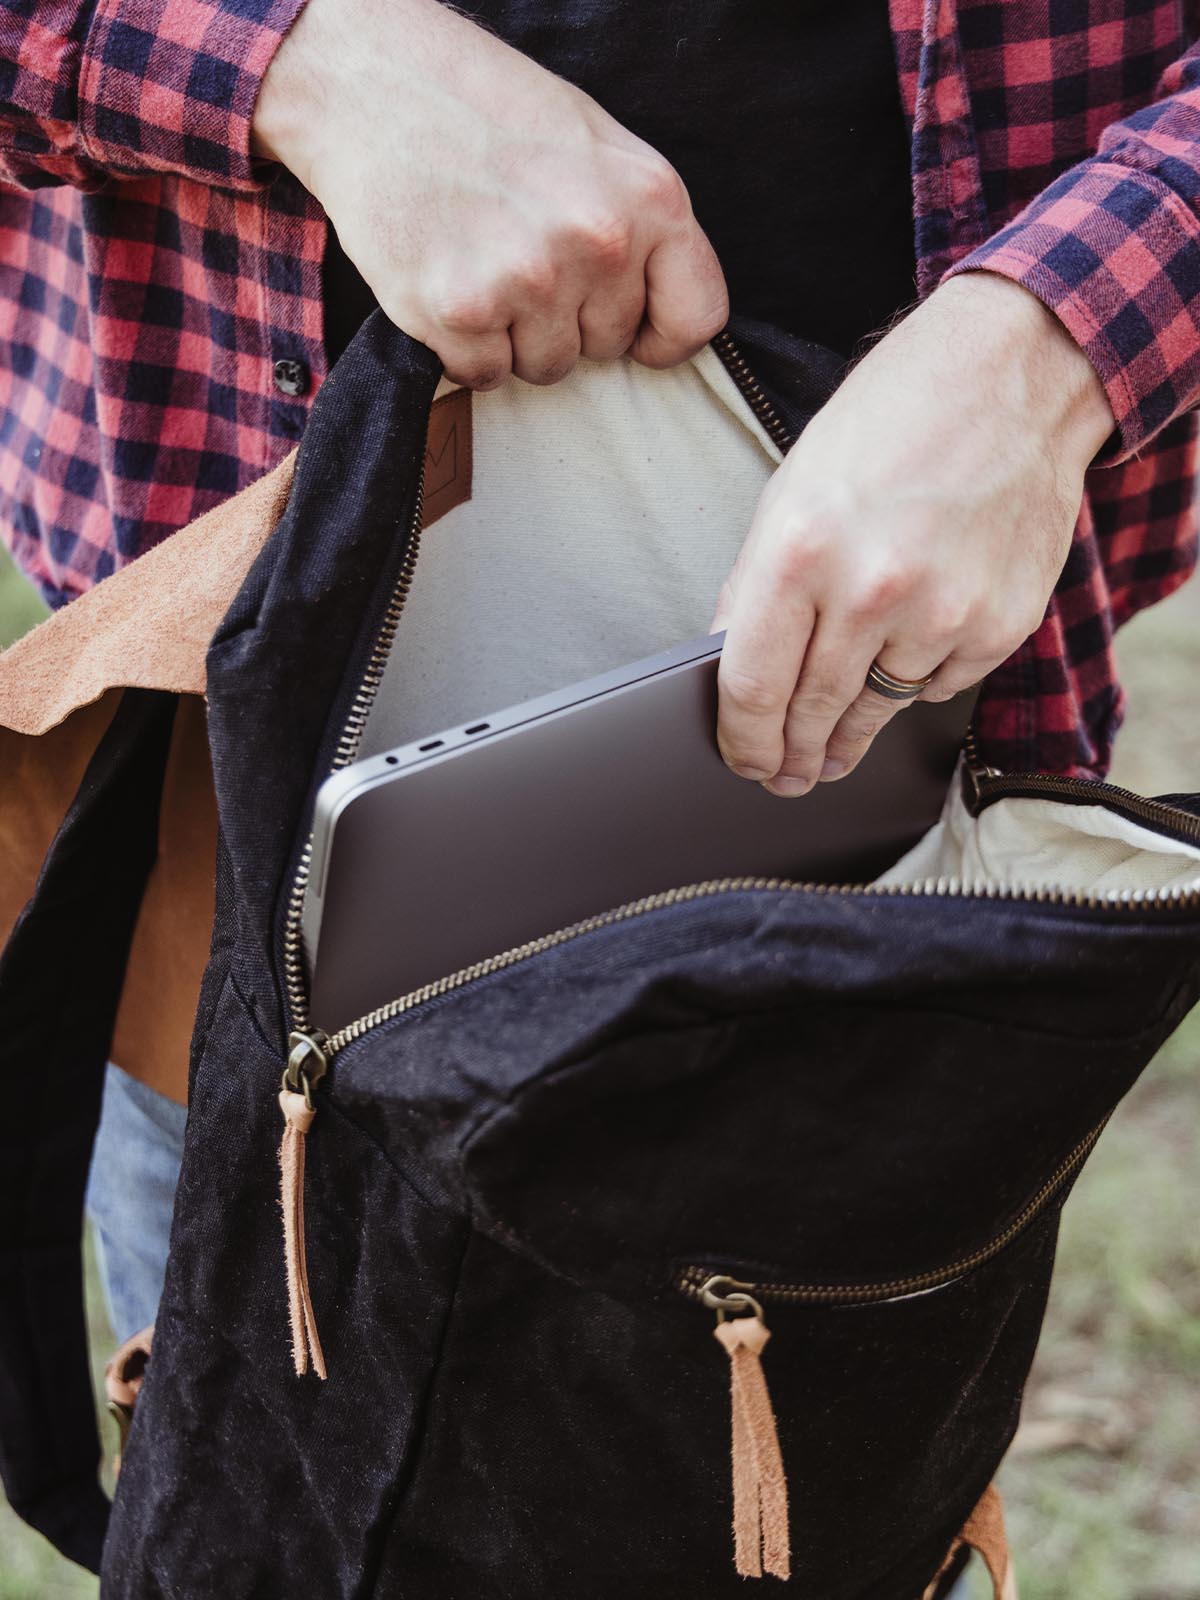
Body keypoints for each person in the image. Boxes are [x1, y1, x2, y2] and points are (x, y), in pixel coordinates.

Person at [1, 0, 1198, 1588]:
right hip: (231, 823)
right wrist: (296, 56)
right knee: (259, 1507)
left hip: (914, 743)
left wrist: (1059, 341)